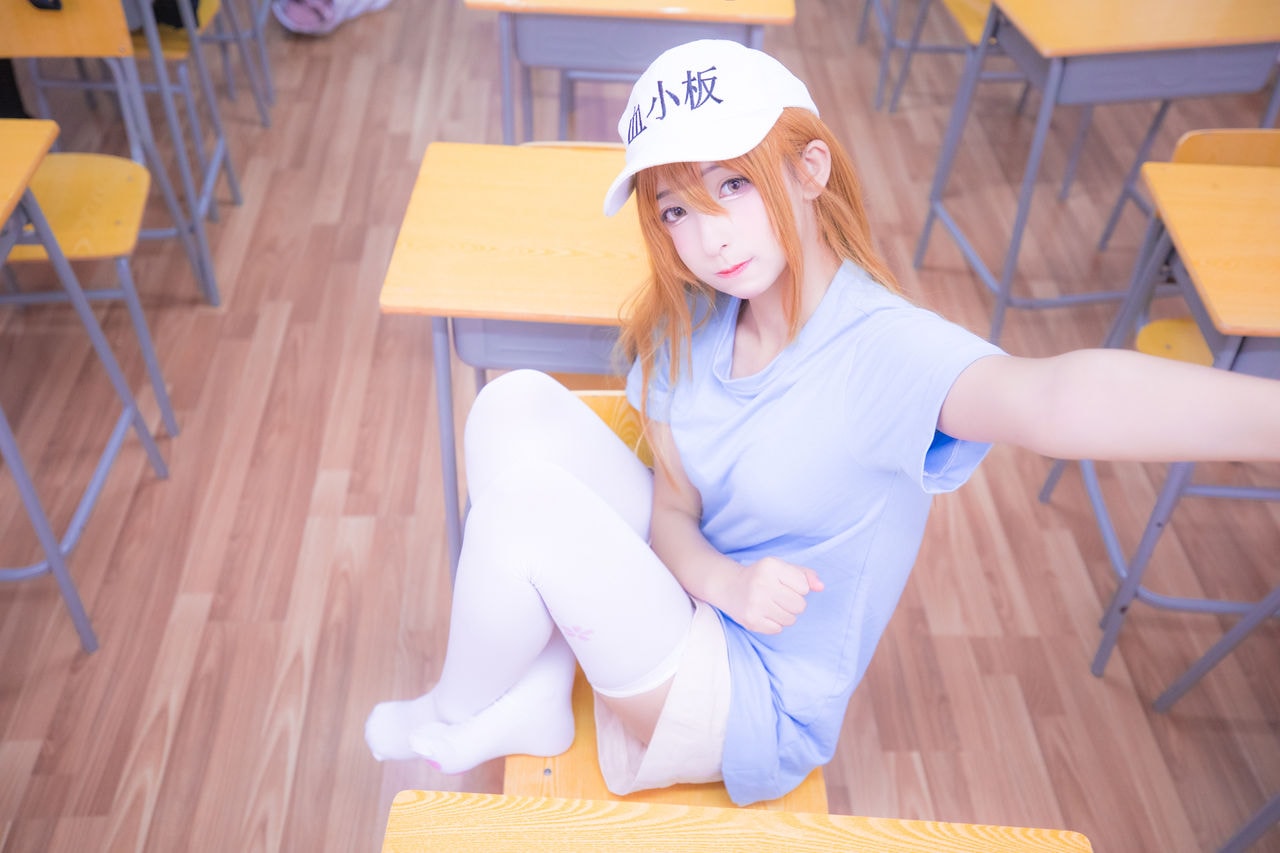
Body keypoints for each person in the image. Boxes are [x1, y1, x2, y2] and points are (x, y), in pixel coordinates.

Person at [364, 39, 1280, 806]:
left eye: (733, 185)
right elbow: (672, 513)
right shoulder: (701, 323)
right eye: (676, 209)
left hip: (748, 700)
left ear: (809, 170)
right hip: (697, 600)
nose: (708, 237)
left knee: (524, 511)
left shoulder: (883, 350)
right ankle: (533, 695)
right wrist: (723, 580)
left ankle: (452, 709)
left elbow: (1055, 400)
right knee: (513, 404)